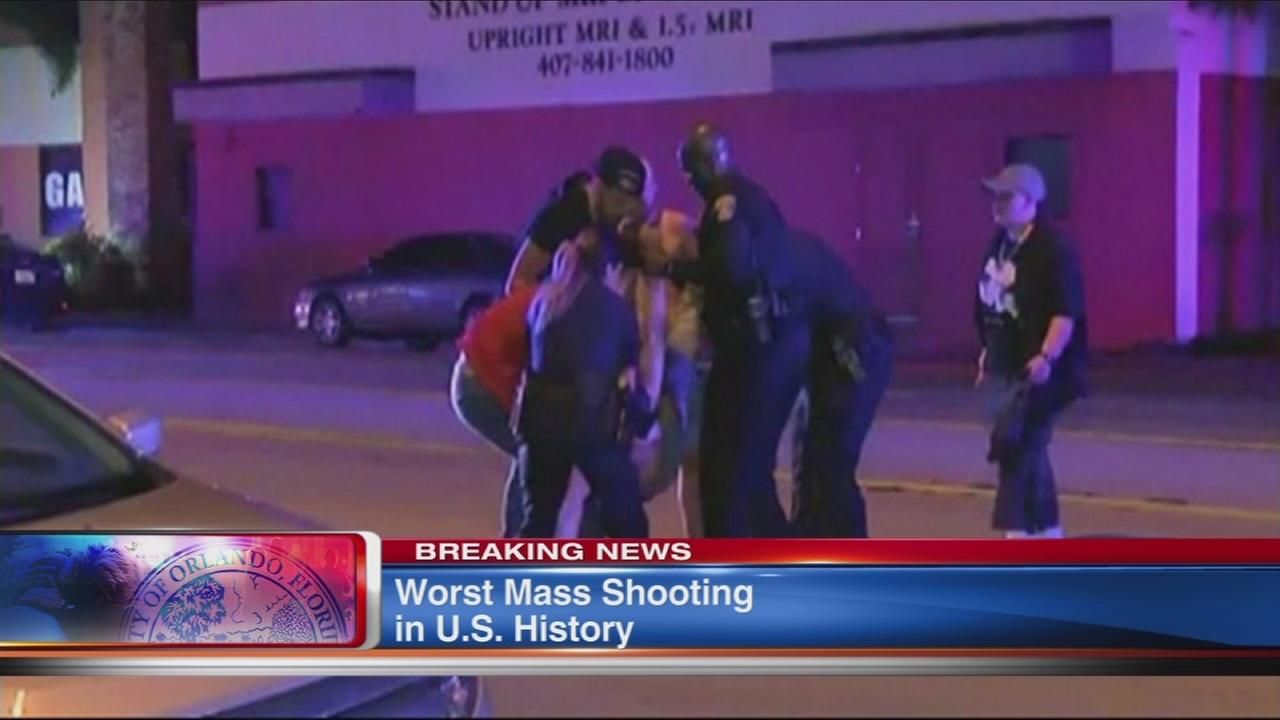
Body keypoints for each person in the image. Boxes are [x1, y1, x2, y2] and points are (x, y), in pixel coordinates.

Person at [637, 122, 809, 538]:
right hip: (763, 346)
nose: (690, 180)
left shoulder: (726, 202)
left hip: (750, 349)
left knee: (729, 467)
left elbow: (728, 267)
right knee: (739, 466)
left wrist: (674, 269)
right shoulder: (746, 199)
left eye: (691, 170)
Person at [974, 163, 1089, 539]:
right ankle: (1044, 531)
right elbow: (991, 302)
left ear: (1031, 201)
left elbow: (1065, 311)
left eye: (1006, 197)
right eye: (995, 196)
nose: (997, 204)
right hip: (1006, 364)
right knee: (1023, 448)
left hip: (1043, 370)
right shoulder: (1000, 243)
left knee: (1021, 443)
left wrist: (1046, 356)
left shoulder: (1051, 249)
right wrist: (987, 352)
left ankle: (1021, 533)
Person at [514, 240, 653, 538]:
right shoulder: (615, 309)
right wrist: (644, 425)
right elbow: (628, 377)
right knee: (627, 519)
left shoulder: (544, 302)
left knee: (538, 518)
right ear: (610, 268)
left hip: (539, 424)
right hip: (591, 425)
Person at [451, 252, 591, 538]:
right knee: (540, 457)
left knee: (534, 453)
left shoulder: (553, 295)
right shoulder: (558, 305)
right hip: (480, 382)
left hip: (475, 375)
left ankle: (518, 538)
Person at [785, 229, 894, 538]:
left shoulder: (773, 269)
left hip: (851, 351)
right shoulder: (779, 250)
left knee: (831, 461)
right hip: (839, 350)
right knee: (814, 457)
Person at [506, 146, 651, 294]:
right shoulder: (561, 215)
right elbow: (518, 283)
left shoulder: (613, 227)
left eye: (629, 204)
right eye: (618, 201)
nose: (622, 211)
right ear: (597, 186)